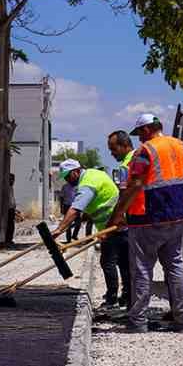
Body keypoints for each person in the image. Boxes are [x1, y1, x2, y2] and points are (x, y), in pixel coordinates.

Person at [106, 112, 183, 332]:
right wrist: (182, 198)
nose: (139, 139)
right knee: (175, 267)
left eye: (139, 134)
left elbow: (135, 184)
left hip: (147, 219)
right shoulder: (182, 147)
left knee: (142, 269)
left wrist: (117, 215)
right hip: (176, 216)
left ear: (147, 130)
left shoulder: (145, 151)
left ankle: (138, 322)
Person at [52, 158, 123, 305]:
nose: (66, 180)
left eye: (67, 176)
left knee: (109, 262)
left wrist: (59, 229)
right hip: (114, 223)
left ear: (76, 172)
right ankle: (124, 297)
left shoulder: (87, 184)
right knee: (121, 262)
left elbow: (75, 209)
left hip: (114, 225)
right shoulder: (93, 174)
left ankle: (113, 299)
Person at [101, 131, 136, 306]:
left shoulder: (126, 166)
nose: (111, 153)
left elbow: (123, 199)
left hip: (130, 221)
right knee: (126, 262)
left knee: (113, 261)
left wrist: (110, 224)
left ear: (124, 145)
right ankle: (128, 299)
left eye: (113, 149)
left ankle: (122, 301)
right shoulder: (138, 158)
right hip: (140, 220)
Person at [57, 171, 80, 241]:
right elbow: (61, 198)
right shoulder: (65, 187)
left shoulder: (78, 186)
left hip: (76, 206)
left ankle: (74, 235)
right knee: (68, 224)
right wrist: (61, 208)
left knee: (78, 223)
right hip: (67, 206)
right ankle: (68, 239)